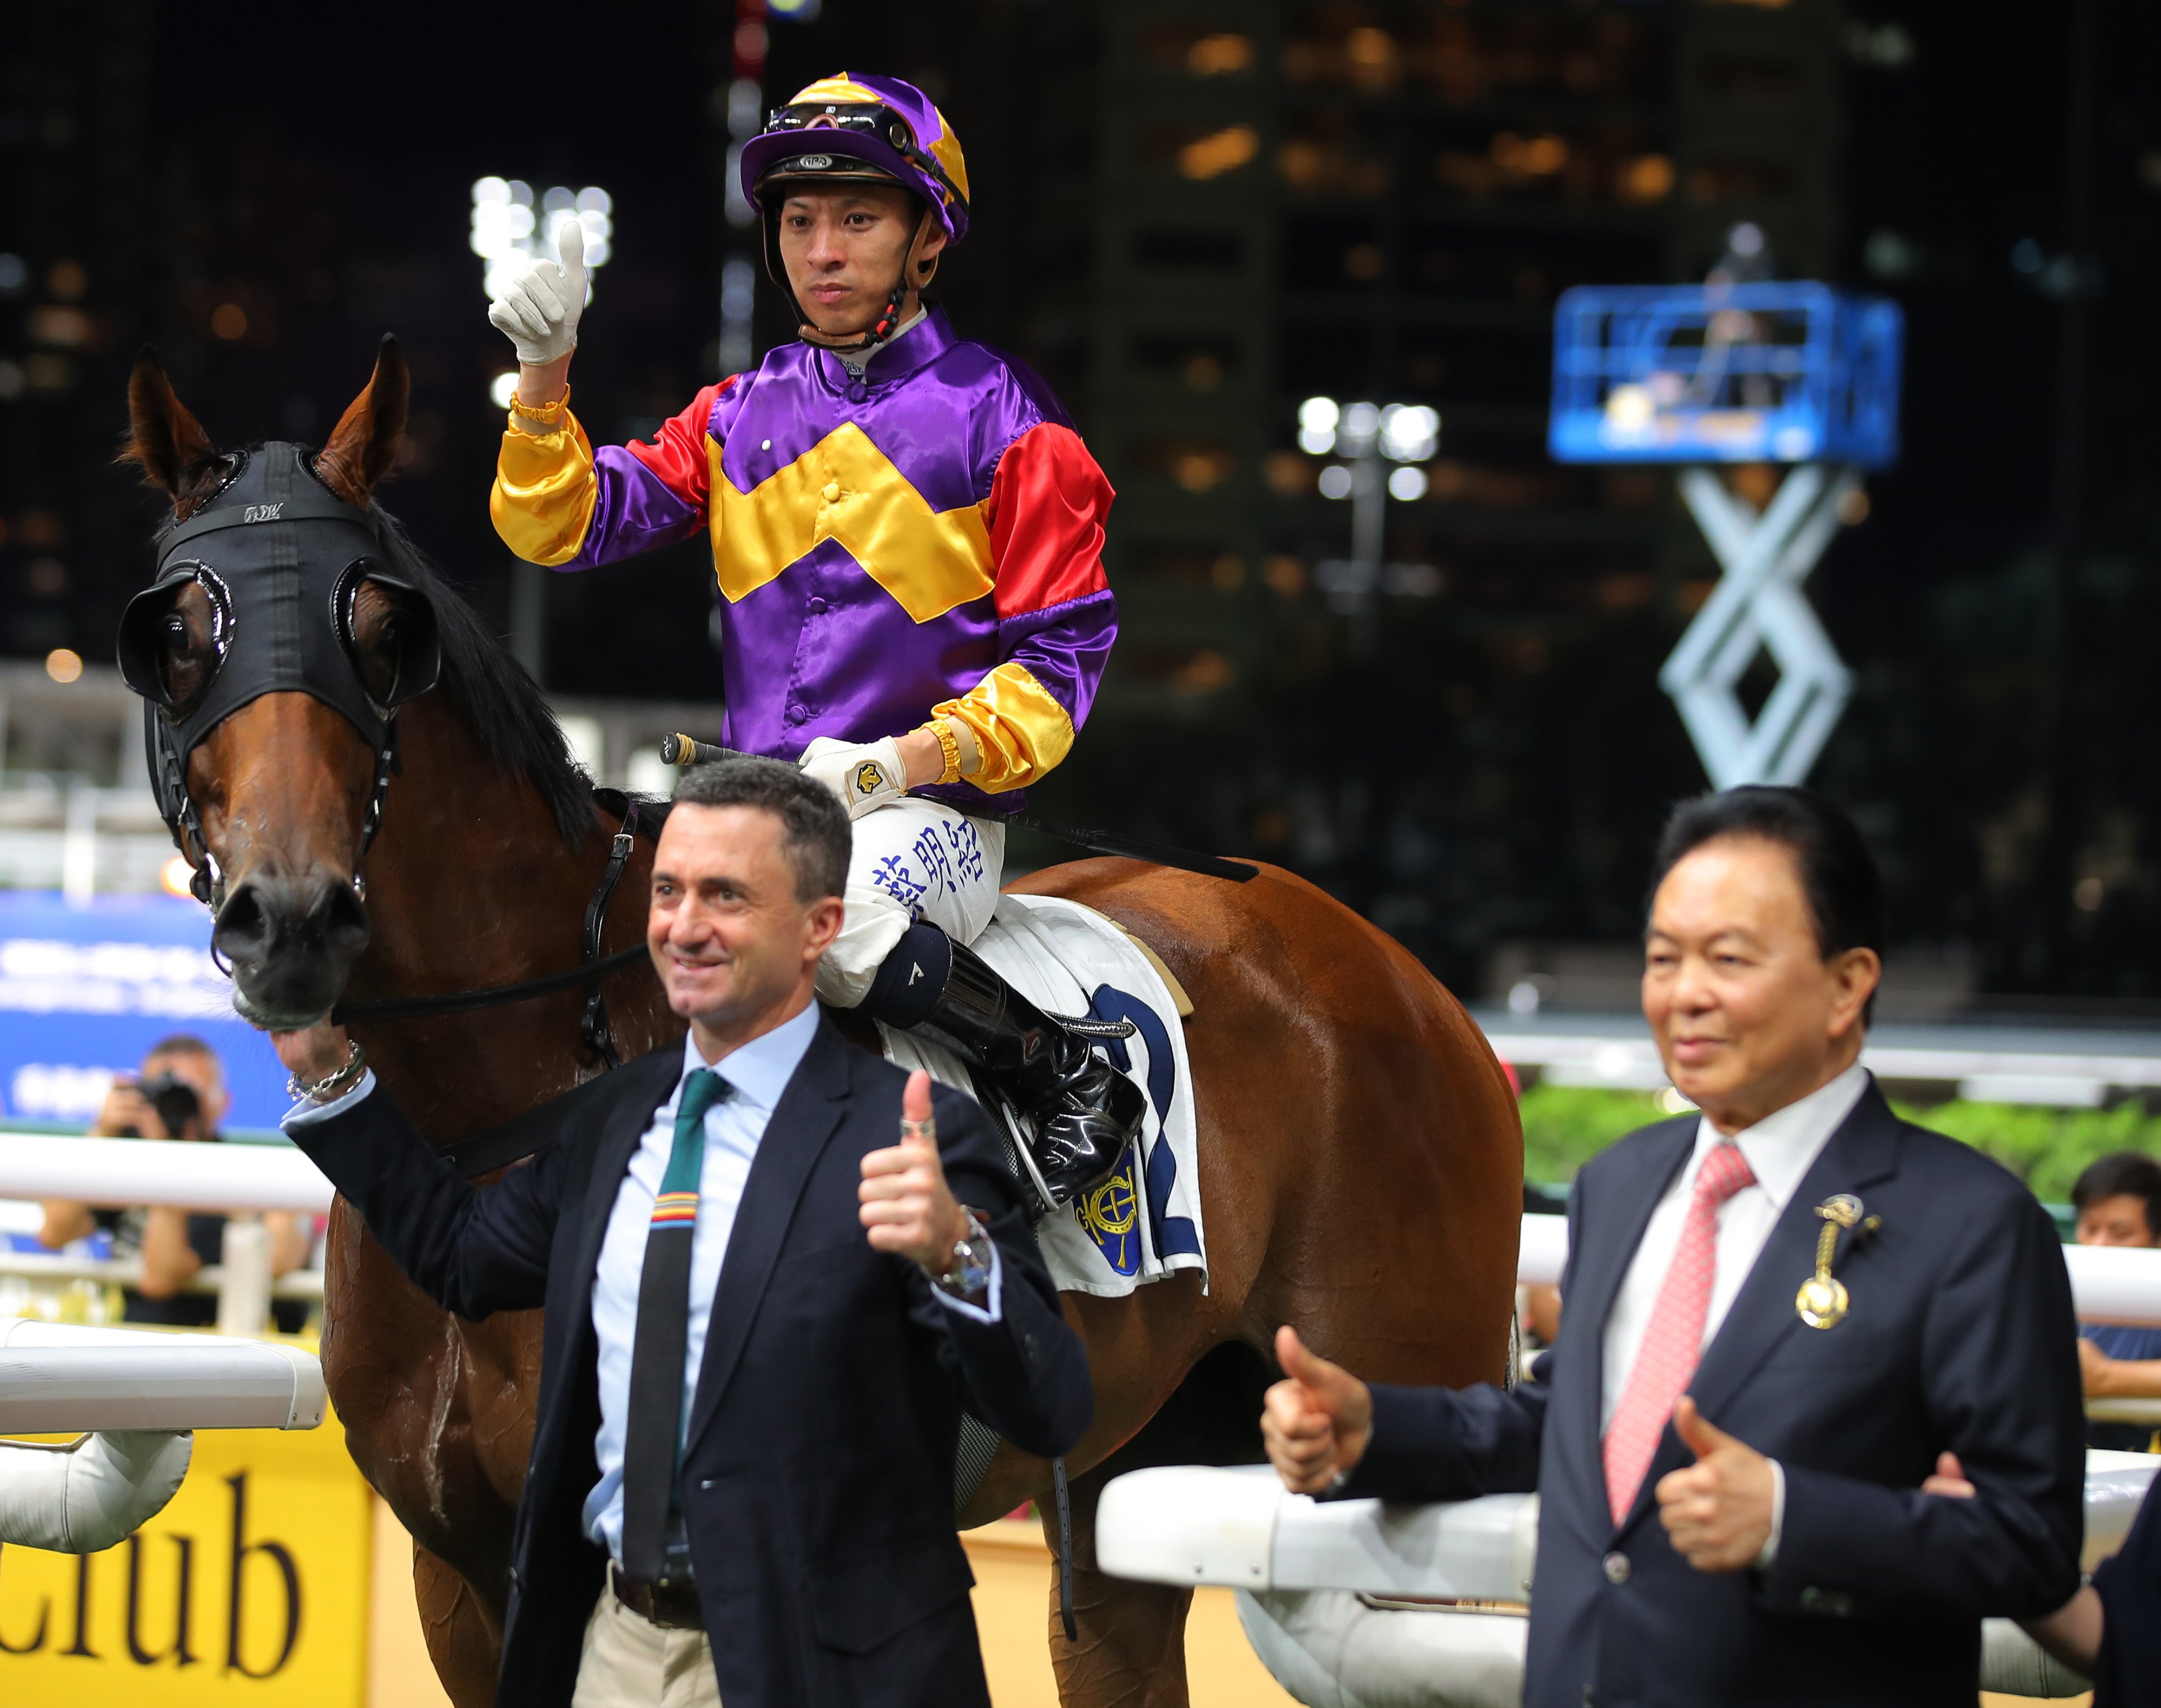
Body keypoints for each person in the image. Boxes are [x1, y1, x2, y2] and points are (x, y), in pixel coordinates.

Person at [268, 757, 1091, 1708]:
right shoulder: (614, 1121)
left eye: (726, 894)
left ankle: (1060, 1061)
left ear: (822, 926)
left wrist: (961, 1254)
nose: (685, 925)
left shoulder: (922, 1134)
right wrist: (330, 1075)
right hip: (613, 1651)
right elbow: (465, 1253)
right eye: (669, 890)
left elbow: (1049, 1407)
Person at [1260, 785, 2085, 1707]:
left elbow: (2031, 1542)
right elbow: (1581, 1427)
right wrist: (1377, 1429)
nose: (1686, 993)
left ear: (1849, 984)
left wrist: (1788, 1515)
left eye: (1729, 958)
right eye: (1664, 958)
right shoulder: (1622, 1182)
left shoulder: (1972, 1221)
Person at [484, 72, 1142, 1210]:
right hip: (756, 803)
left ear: (925, 236)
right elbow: (562, 526)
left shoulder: (1011, 421)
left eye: (858, 218)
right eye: (798, 220)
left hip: (926, 816)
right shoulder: (739, 412)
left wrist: (903, 762)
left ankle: (1056, 1063)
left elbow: (1055, 674)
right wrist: (544, 383)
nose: (821, 249)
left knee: (828, 926)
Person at [39, 1035, 313, 1331]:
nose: (178, 1103)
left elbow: (161, 1278)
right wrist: (101, 1134)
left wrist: (168, 1161)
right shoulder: (128, 1166)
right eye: (162, 1092)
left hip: (216, 1353)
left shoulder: (236, 1178)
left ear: (222, 1103)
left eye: (191, 1092)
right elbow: (55, 1232)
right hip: (136, 1348)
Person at [2069, 1151, 2161, 1451]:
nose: (2099, 1245)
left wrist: (2108, 1377)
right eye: (2091, 1229)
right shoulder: (2061, 1288)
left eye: (2120, 1233)